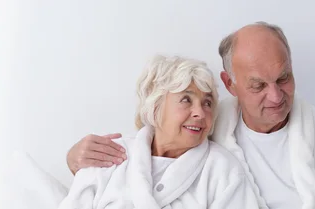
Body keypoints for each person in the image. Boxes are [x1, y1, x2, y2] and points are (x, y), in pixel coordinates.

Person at [66, 22, 315, 209]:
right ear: (230, 84)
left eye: (284, 78)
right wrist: (77, 160)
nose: (276, 96)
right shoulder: (205, 126)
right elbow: (155, 139)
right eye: (258, 85)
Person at [58, 55, 260, 209]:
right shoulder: (110, 154)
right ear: (155, 106)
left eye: (207, 103)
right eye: (186, 100)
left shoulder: (224, 170)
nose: (200, 113)